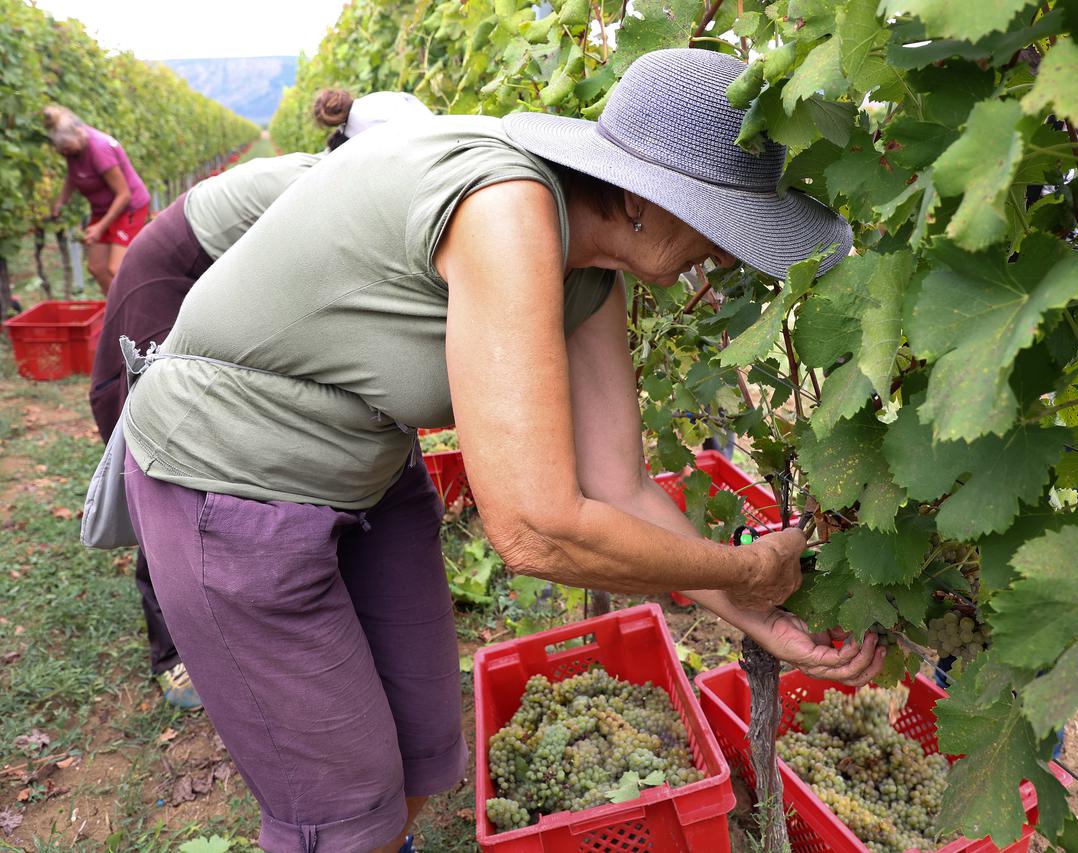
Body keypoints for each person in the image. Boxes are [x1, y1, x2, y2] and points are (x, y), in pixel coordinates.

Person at [119, 49, 882, 853]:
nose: (728, 255)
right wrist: (741, 570)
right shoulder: (507, 210)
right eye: (720, 222)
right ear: (637, 197)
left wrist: (753, 611)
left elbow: (616, 481)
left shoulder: (591, 268)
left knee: (422, 753)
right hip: (228, 490)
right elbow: (534, 527)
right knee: (342, 810)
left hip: (365, 470)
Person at [88, 89, 432, 711]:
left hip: (209, 286)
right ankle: (173, 653)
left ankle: (275, 592)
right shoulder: (327, 187)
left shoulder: (353, 183)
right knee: (170, 462)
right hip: (168, 286)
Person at [44, 106, 151, 295]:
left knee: (116, 269)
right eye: (62, 151)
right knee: (97, 267)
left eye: (67, 149)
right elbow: (73, 175)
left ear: (78, 135)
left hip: (129, 208)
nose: (65, 154)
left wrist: (100, 227)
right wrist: (61, 201)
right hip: (103, 210)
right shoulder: (73, 148)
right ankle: (116, 312)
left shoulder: (100, 150)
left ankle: (140, 308)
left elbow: (124, 194)